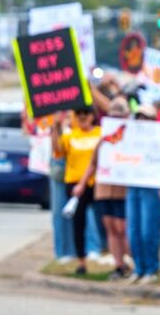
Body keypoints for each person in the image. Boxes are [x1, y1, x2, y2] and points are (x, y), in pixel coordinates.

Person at [75, 97, 133, 279]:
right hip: (104, 187)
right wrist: (82, 183)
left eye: (119, 116)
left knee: (122, 227)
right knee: (110, 227)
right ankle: (119, 265)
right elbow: (93, 163)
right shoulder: (104, 138)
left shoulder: (133, 137)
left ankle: (132, 262)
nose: (116, 119)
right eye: (113, 116)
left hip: (123, 188)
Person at [52, 108, 102, 275]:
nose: (82, 118)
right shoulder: (71, 136)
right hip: (75, 185)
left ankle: (106, 252)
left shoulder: (100, 133)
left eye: (85, 114)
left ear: (92, 116)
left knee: (106, 220)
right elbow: (58, 151)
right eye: (78, 115)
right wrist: (56, 127)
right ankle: (81, 261)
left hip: (97, 183)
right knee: (78, 222)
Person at [125, 104, 160, 284]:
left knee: (148, 230)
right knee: (133, 230)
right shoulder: (130, 137)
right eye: (139, 117)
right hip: (133, 184)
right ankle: (139, 268)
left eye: (146, 118)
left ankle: (151, 268)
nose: (142, 121)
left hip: (151, 186)